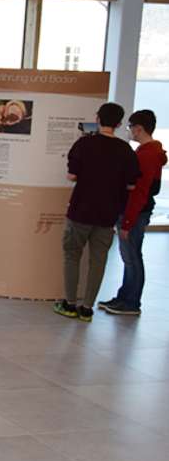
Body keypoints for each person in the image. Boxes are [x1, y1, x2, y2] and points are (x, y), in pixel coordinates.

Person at [54, 102, 140, 322]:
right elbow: (131, 185)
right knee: (98, 260)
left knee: (72, 256)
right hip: (108, 214)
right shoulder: (125, 150)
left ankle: (70, 303)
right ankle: (87, 308)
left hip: (81, 210)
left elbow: (71, 176)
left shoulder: (84, 144)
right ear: (120, 123)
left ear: (98, 118)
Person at [101, 110, 167, 317]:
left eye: (130, 126)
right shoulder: (148, 152)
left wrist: (128, 222)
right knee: (130, 257)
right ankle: (125, 296)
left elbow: (140, 191)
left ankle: (131, 302)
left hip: (135, 213)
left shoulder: (147, 155)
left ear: (139, 128)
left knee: (132, 258)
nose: (128, 130)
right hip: (135, 212)